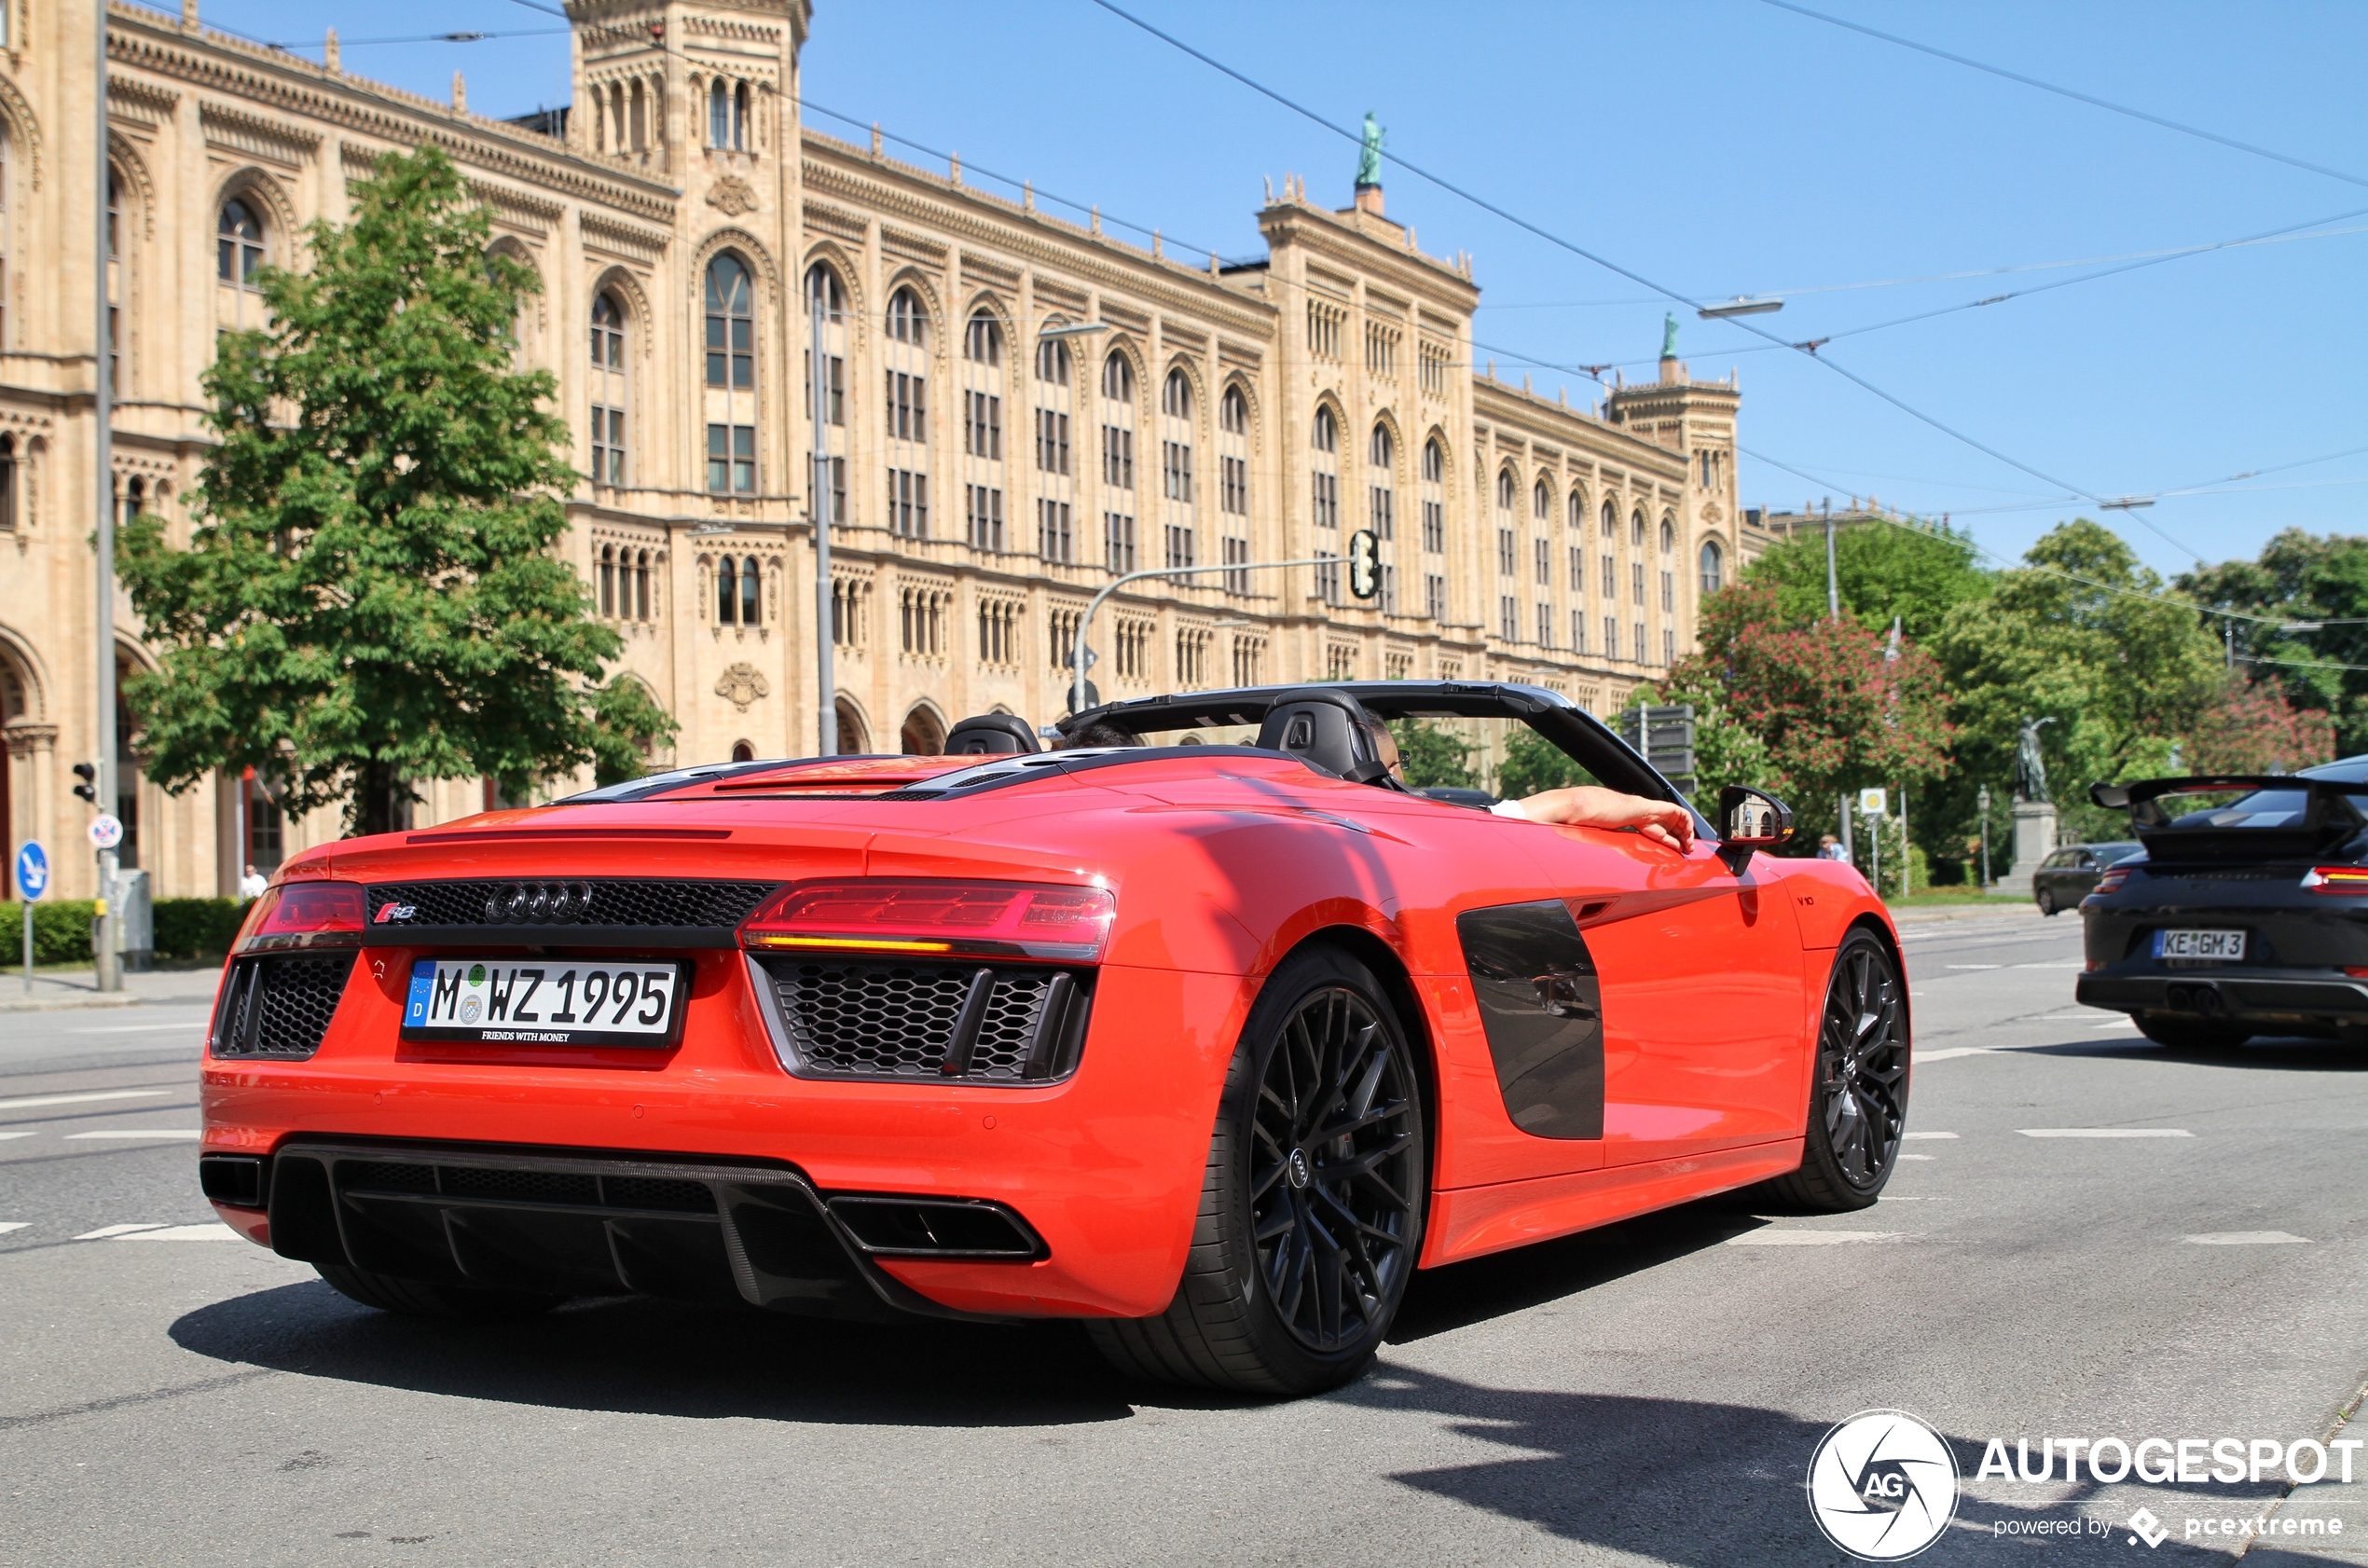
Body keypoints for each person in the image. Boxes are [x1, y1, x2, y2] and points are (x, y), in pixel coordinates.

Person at [1364, 723, 1693, 851]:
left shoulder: (1313, 825)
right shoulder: (1432, 826)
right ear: (1389, 771)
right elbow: (1574, 804)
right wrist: (1648, 810)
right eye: (1400, 763)